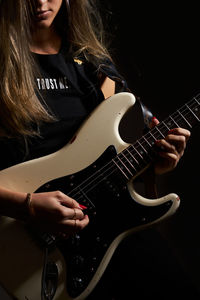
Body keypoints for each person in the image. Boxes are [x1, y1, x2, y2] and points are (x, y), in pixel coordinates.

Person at [0, 0, 194, 299]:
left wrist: (156, 163)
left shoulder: (93, 64)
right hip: (20, 238)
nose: (38, 2)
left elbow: (102, 163)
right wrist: (27, 207)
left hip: (103, 232)